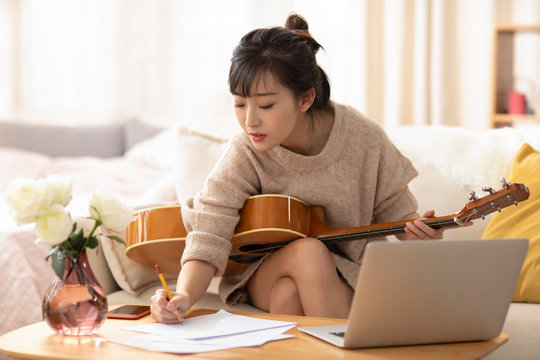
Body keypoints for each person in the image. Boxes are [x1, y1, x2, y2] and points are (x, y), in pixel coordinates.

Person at [151, 13, 466, 323]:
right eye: (239, 103)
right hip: (264, 272)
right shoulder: (245, 150)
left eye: (266, 105)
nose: (250, 120)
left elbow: (399, 216)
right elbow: (208, 232)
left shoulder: (362, 137)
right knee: (308, 252)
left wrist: (422, 234)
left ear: (305, 99)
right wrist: (183, 297)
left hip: (346, 275)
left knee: (287, 297)